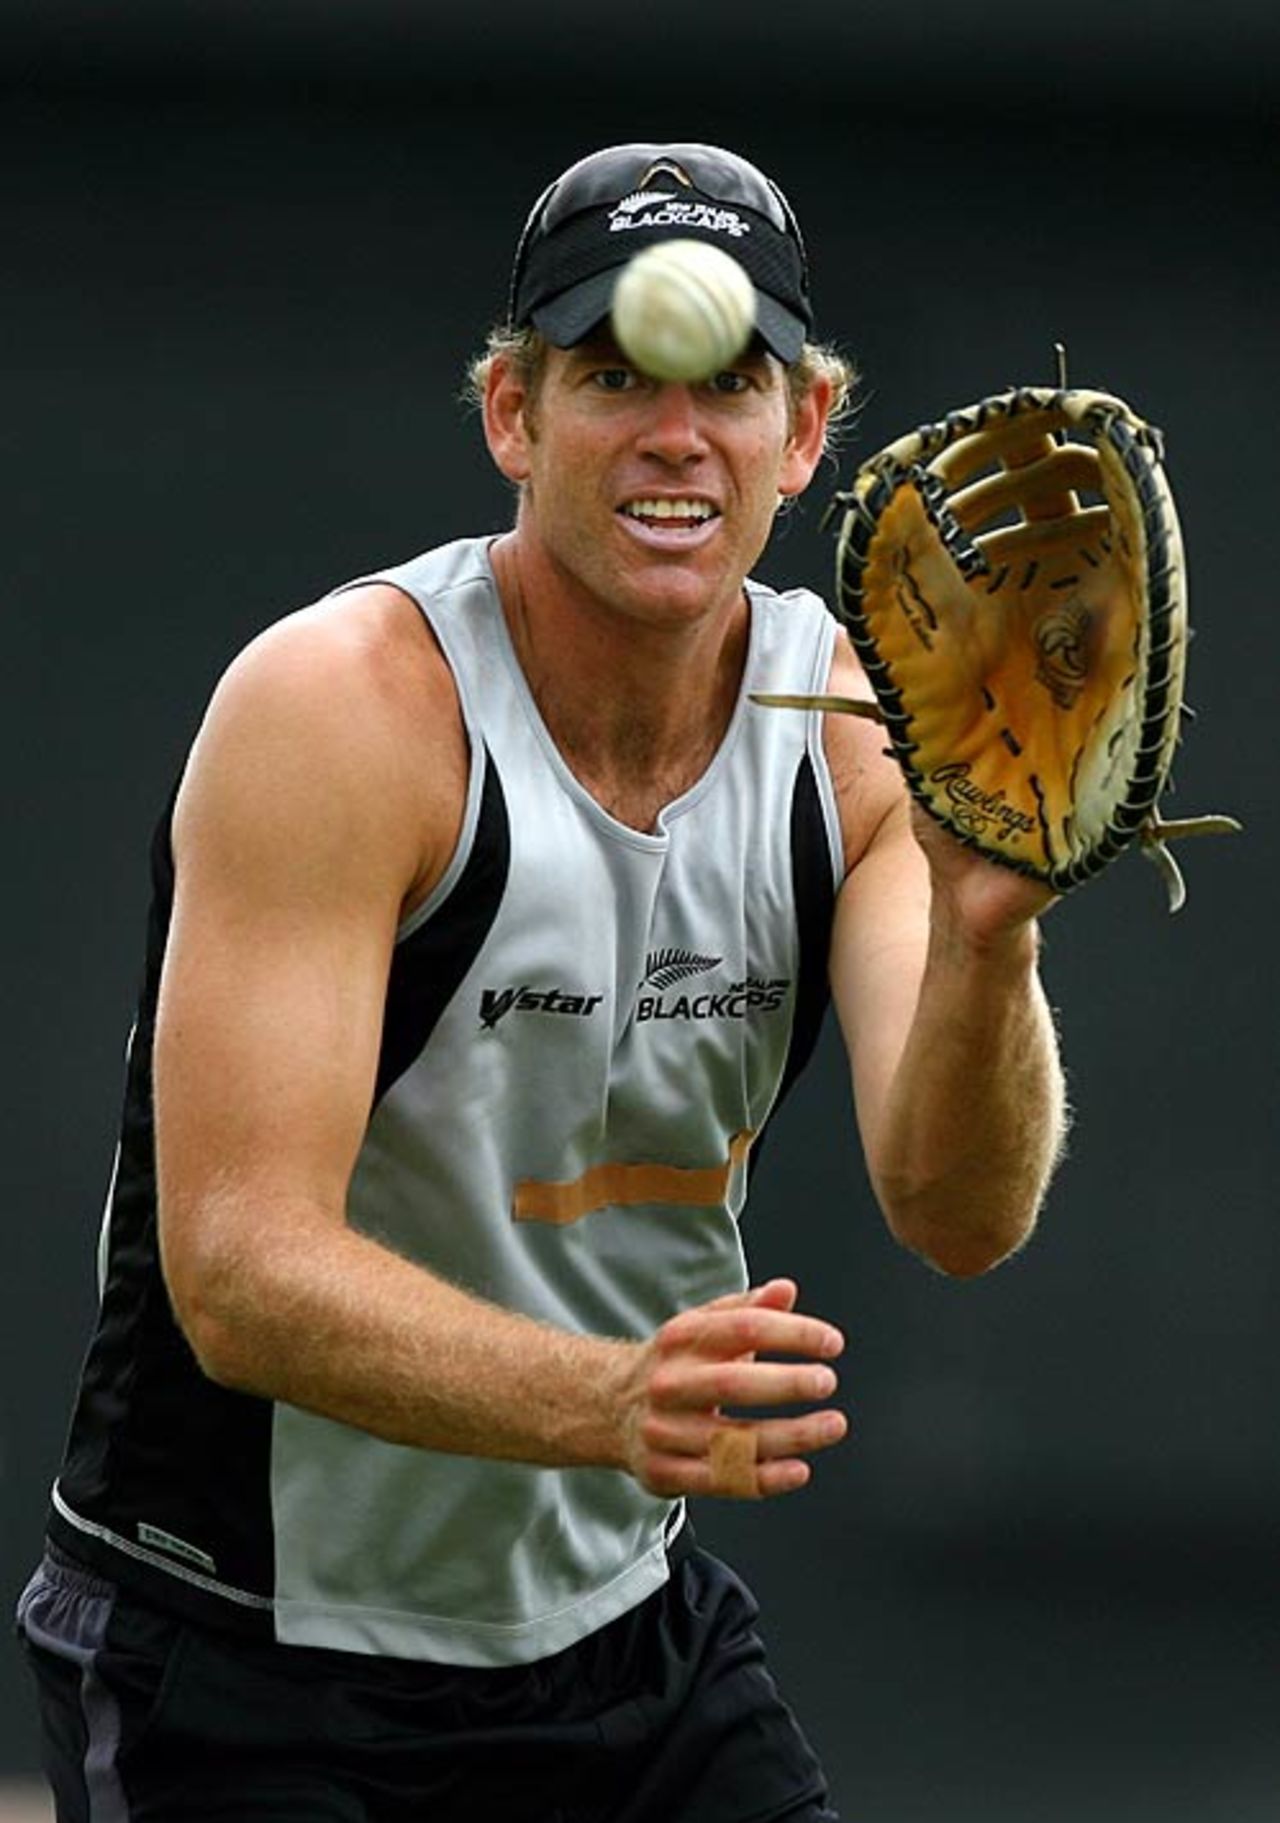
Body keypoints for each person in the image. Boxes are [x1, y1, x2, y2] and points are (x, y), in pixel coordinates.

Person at [17, 141, 1067, 1822]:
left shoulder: (861, 739)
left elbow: (957, 1211)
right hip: (244, 1651)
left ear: (803, 433)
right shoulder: (349, 709)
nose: (676, 433)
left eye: (732, 380)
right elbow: (239, 1273)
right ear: (513, 415)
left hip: (620, 1642)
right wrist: (611, 1401)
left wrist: (989, 936)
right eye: (611, 375)